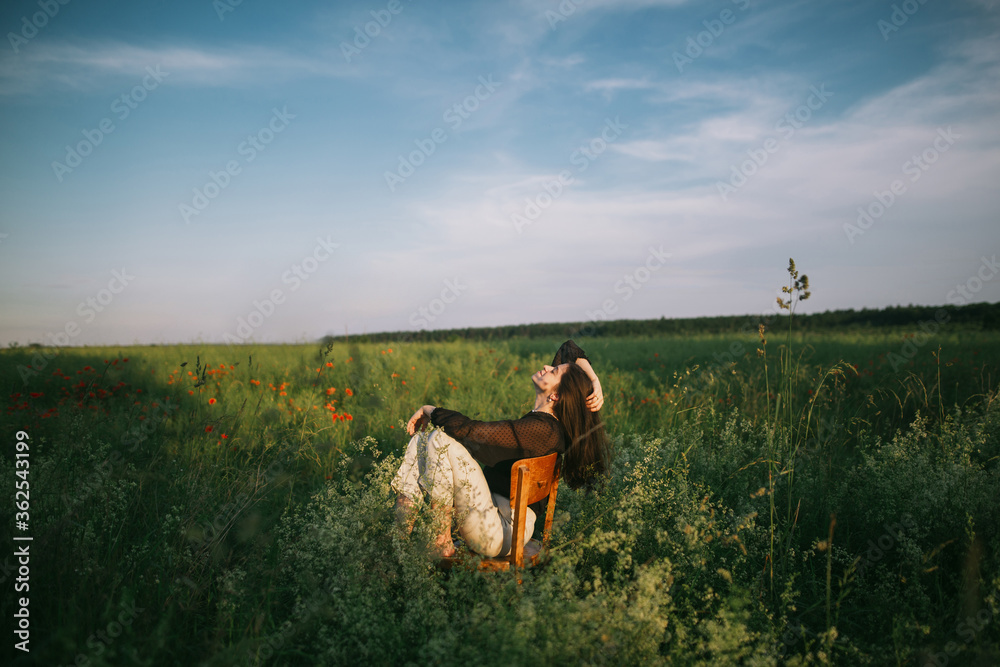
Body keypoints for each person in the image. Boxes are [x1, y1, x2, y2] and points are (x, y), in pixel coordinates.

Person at [391, 340, 610, 558]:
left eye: (553, 371)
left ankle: (439, 542)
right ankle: (397, 540)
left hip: (500, 532)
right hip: (491, 516)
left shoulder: (542, 429)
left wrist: (429, 409)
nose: (546, 366)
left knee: (439, 438)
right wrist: (594, 380)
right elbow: (569, 350)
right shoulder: (547, 424)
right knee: (421, 440)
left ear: (555, 396)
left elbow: (471, 432)